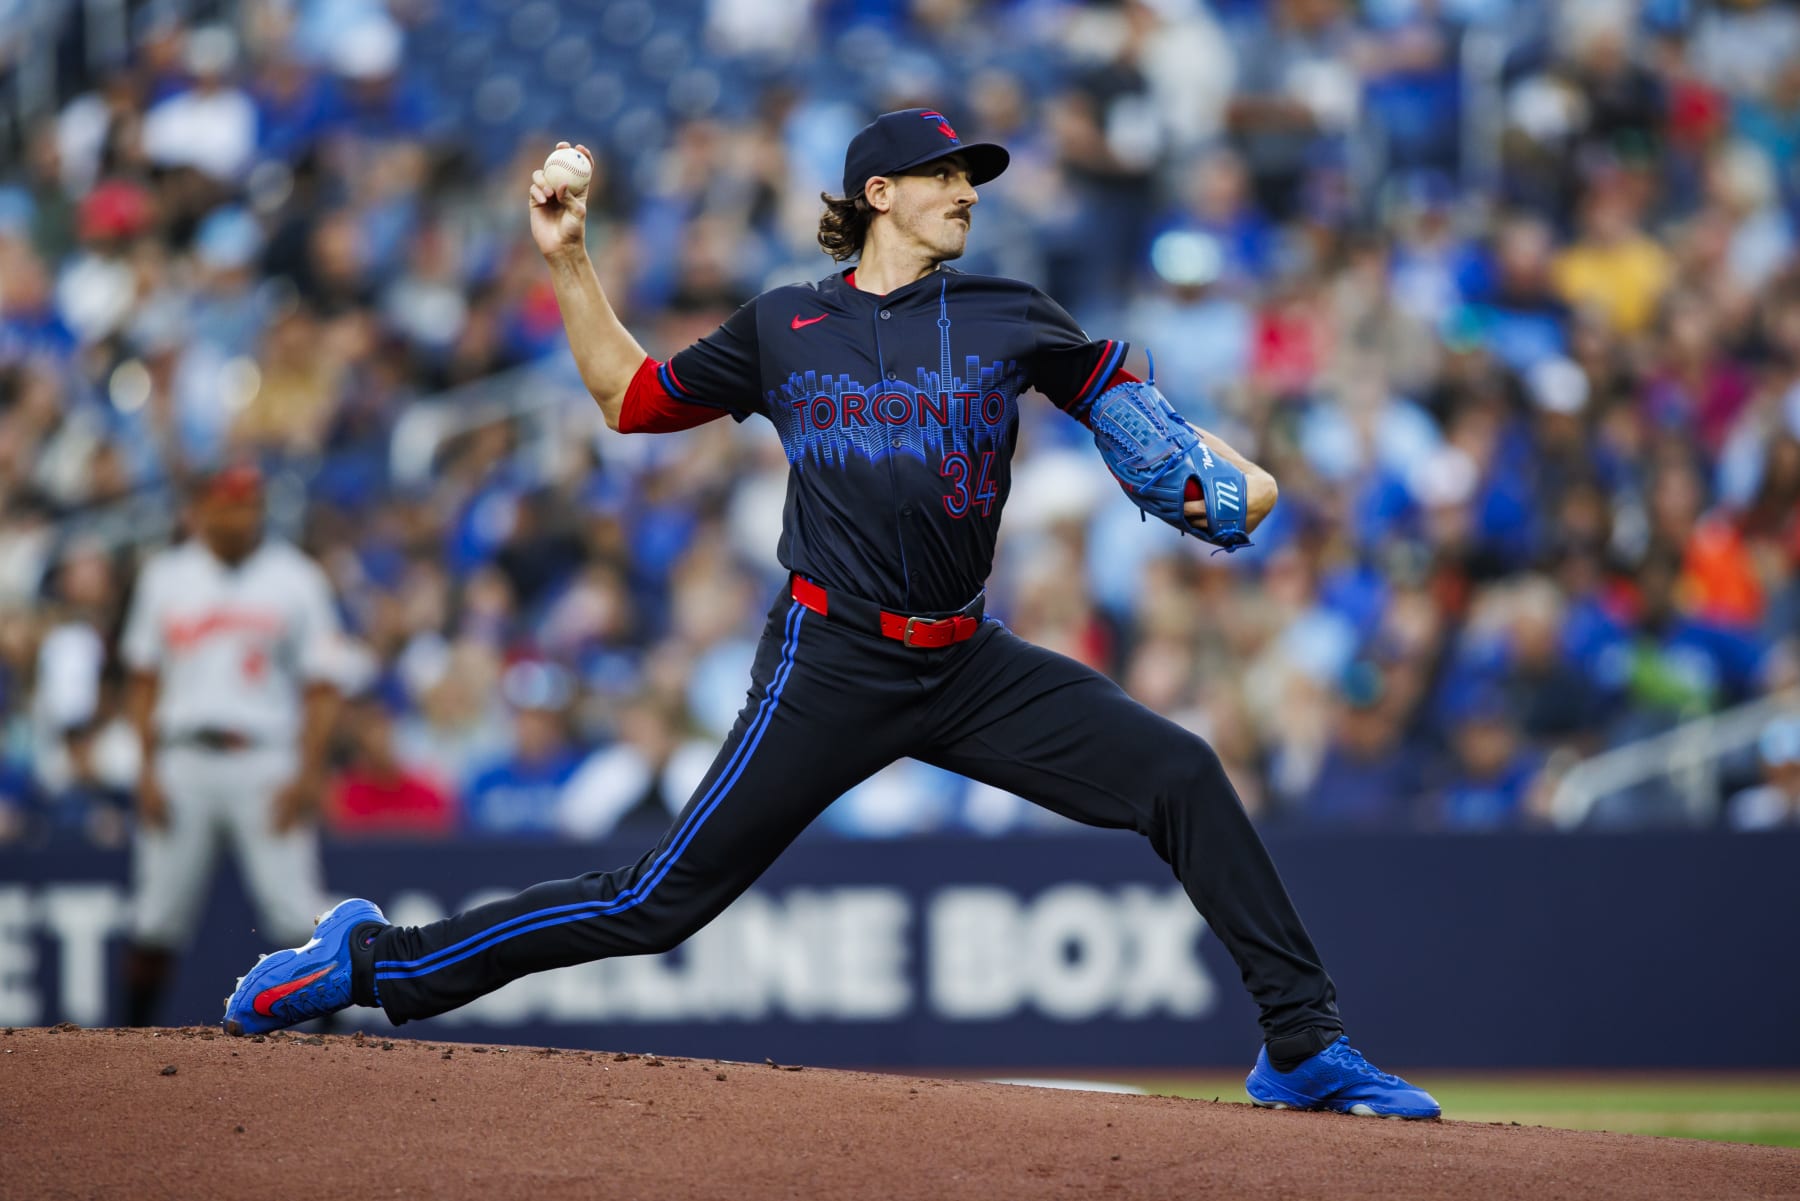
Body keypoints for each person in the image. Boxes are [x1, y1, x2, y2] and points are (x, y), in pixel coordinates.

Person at [222, 109, 1439, 1119]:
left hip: (968, 658)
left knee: (1178, 770)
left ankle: (1302, 1045)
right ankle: (369, 959)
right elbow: (628, 401)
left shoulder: (1012, 311)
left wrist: (1211, 476)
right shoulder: (784, 326)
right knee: (655, 902)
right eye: (946, 174)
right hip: (832, 655)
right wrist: (567, 259)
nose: (968, 190)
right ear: (878, 192)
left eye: (974, 175)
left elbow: (1147, 423)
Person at [121, 464, 344, 1026]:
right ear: (203, 510)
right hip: (182, 757)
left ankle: (339, 1045)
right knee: (156, 916)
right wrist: (145, 769)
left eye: (250, 504)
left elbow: (322, 686)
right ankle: (123, 1050)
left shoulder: (296, 578)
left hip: (265, 757)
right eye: (231, 504)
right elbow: (143, 680)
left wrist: (308, 772)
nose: (243, 515)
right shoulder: (166, 577)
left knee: (294, 908)